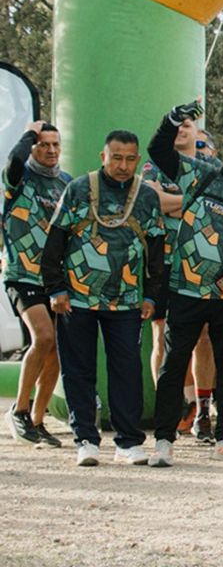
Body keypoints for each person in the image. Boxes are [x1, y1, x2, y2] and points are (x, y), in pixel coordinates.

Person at [148, 100, 223, 467]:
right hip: (185, 289)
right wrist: (172, 119)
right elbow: (157, 151)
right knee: (173, 365)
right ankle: (164, 440)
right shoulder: (203, 174)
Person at [41, 130, 165, 466]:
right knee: (78, 369)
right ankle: (86, 439)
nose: (123, 165)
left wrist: (152, 296)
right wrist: (56, 287)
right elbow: (54, 241)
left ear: (137, 159)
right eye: (116, 158)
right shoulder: (79, 189)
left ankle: (128, 441)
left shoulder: (147, 197)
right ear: (103, 157)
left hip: (126, 301)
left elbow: (156, 251)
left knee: (126, 368)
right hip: (76, 298)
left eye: (129, 158)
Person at [140, 106, 217, 442]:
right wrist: (193, 202)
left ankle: (202, 410)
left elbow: (214, 208)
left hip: (198, 262)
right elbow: (151, 201)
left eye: (189, 125)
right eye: (178, 125)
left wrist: (174, 200)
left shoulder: (210, 169)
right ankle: (172, 409)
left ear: (197, 132)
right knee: (162, 338)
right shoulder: (152, 165)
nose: (182, 130)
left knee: (202, 338)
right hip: (160, 262)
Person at [3, 121, 69, 448]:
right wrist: (30, 131)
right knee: (43, 335)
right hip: (22, 273)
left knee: (56, 348)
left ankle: (39, 420)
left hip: (56, 278)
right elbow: (14, 162)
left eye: (56, 144)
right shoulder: (19, 178)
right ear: (33, 146)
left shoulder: (67, 184)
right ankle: (19, 409)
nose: (51, 150)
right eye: (43, 144)